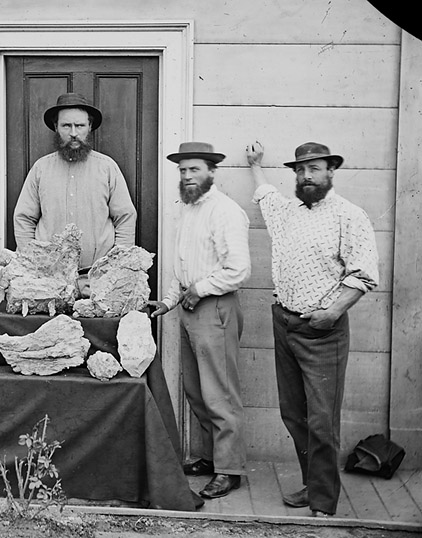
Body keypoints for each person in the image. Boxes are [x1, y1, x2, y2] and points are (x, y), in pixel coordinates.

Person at [245, 141, 379, 517]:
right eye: (300, 170)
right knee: (293, 414)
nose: (306, 176)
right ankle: (313, 484)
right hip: (284, 323)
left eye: (314, 169)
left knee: (321, 420)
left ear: (331, 171)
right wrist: (255, 165)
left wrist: (332, 313)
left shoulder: (348, 215)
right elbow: (266, 195)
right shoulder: (287, 212)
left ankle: (322, 506)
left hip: (322, 331)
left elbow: (363, 274)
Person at [148, 142, 251, 500]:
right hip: (191, 310)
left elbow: (238, 270)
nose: (188, 176)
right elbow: (183, 268)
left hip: (216, 309)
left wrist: (200, 290)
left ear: (211, 171)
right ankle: (210, 458)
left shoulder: (226, 212)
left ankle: (229, 469)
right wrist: (167, 301)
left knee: (220, 393)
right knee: (197, 391)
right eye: (182, 171)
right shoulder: (189, 210)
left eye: (194, 169)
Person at [13, 92, 137, 275]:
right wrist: (32, 264)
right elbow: (24, 218)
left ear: (90, 126)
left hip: (98, 276)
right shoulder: (41, 168)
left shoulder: (107, 167)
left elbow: (125, 217)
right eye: (66, 126)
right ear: (56, 127)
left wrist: (116, 267)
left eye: (79, 125)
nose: (73, 133)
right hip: (49, 277)